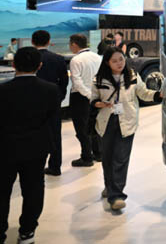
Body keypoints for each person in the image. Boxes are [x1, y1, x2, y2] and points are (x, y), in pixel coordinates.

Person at [0, 47, 60, 244]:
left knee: (2, 191)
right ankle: (27, 232)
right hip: (37, 148)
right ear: (39, 66)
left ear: (13, 64)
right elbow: (52, 121)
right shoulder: (51, 90)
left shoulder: (3, 90)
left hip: (5, 148)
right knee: (33, 189)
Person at [90, 47, 162, 211]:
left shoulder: (133, 76)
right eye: (114, 61)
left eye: (121, 59)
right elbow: (93, 99)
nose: (119, 63)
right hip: (106, 122)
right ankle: (109, 186)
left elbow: (143, 93)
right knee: (107, 158)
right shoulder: (98, 79)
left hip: (127, 122)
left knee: (121, 159)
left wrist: (158, 95)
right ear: (107, 63)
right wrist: (100, 104)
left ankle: (116, 196)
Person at [32, 30, 69, 176]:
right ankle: (55, 166)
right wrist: (59, 97)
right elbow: (64, 81)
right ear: (49, 41)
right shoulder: (58, 59)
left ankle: (34, 166)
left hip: (33, 102)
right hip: (53, 101)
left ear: (32, 42)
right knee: (55, 134)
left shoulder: (29, 57)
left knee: (32, 133)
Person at [69, 33, 103, 167]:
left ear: (74, 44)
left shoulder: (76, 60)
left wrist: (88, 95)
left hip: (80, 97)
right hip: (95, 96)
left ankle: (86, 157)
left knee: (81, 128)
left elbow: (77, 82)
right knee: (94, 125)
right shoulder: (97, 57)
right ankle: (98, 153)